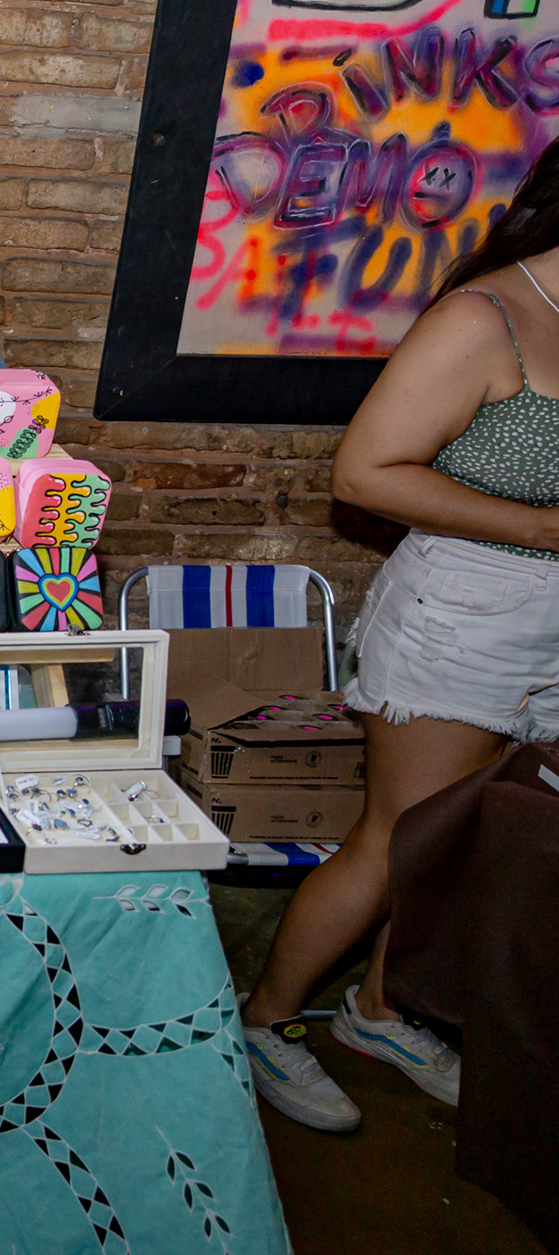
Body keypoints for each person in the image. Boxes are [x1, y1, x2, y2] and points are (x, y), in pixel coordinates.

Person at [239, 139, 559, 1132]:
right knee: (400, 839)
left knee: (477, 844)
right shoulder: (487, 316)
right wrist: (545, 528)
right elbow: (365, 472)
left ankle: (379, 1009)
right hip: (468, 606)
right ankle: (266, 1018)